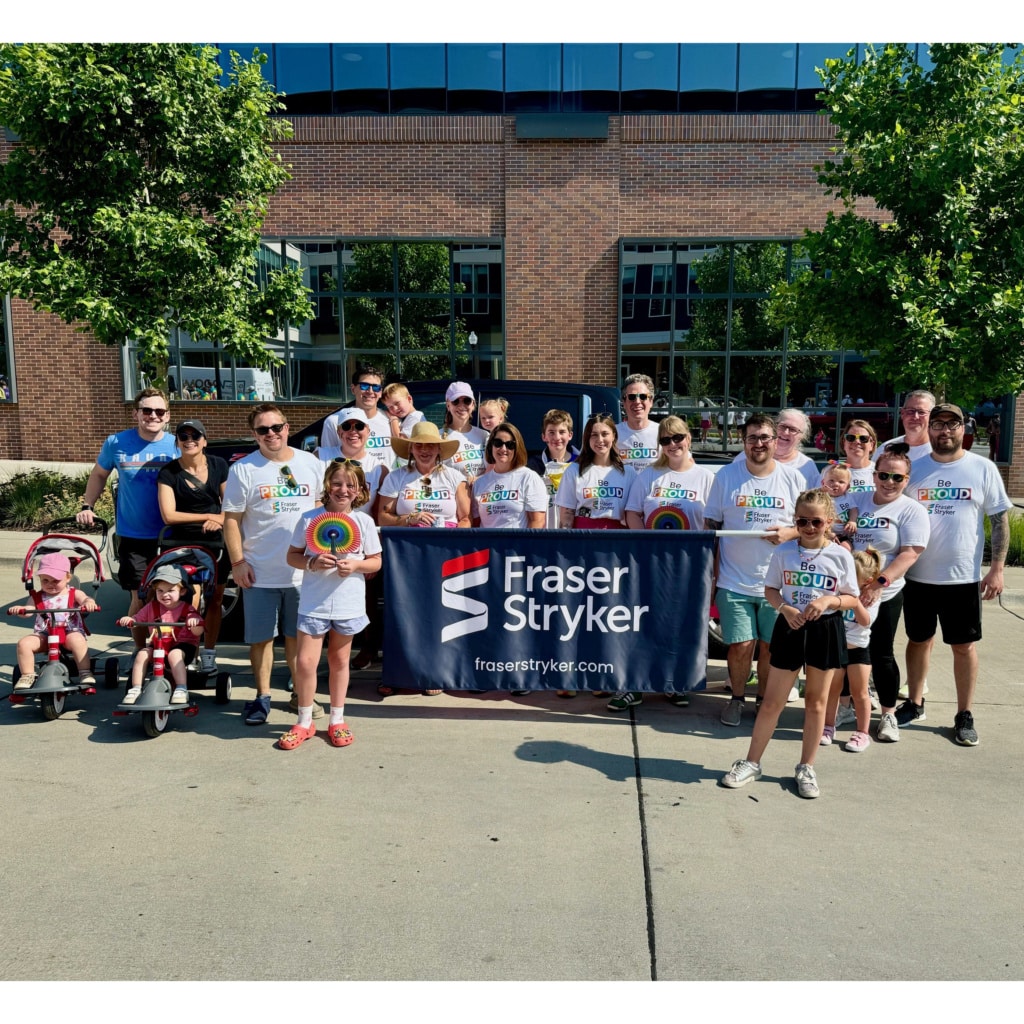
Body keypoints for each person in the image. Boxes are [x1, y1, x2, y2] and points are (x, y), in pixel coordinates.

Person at [720, 488, 860, 799]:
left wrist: (828, 600)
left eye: (817, 522)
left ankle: (806, 767)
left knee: (816, 704)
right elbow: (770, 589)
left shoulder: (840, 555)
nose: (809, 528)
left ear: (830, 522)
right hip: (790, 626)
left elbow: (852, 597)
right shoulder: (783, 552)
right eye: (802, 521)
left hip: (825, 629)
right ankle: (752, 762)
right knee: (772, 702)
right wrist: (785, 607)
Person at [896, 403, 1012, 746]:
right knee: (918, 641)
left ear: (964, 428)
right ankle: (915, 703)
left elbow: (999, 519)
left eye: (952, 424)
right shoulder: (912, 470)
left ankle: (964, 715)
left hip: (962, 579)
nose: (944, 431)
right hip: (917, 576)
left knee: (963, 647)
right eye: (938, 424)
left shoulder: (982, 468)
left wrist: (997, 569)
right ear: (928, 429)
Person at [223, 404, 324, 726]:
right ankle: (262, 696)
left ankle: (300, 695)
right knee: (261, 638)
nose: (272, 434)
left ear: (287, 427)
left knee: (298, 636)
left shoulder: (310, 463)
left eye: (277, 427)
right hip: (260, 570)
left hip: (303, 571)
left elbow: (320, 509)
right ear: (254, 434)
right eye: (263, 430)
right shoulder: (244, 469)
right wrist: (237, 562)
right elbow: (231, 521)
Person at [704, 413, 804, 727]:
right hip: (734, 580)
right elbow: (712, 526)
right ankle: (736, 699)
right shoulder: (726, 477)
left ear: (776, 441)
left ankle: (763, 700)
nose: (758, 444)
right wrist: (712, 577)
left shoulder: (793, 479)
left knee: (769, 648)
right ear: (743, 441)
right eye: (752, 438)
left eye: (764, 437)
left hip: (778, 584)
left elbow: (812, 526)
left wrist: (791, 532)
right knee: (740, 646)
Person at [609, 415, 714, 711]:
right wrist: (648, 544)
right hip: (652, 561)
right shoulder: (649, 476)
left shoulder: (706, 478)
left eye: (677, 437)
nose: (672, 444)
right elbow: (632, 514)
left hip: (689, 562)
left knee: (681, 623)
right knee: (642, 621)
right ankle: (635, 686)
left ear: (688, 438)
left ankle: (675, 682)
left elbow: (713, 522)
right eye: (665, 440)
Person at [280, 461, 382, 750]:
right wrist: (311, 562)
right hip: (314, 604)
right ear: (327, 485)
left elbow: (376, 560)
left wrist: (357, 564)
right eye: (337, 483)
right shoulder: (309, 519)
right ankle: (304, 720)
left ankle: (337, 719)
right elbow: (292, 556)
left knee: (339, 661)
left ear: (360, 490)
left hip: (348, 604)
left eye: (351, 485)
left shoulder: (364, 522)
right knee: (306, 662)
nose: (343, 490)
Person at [76, 388, 178, 640]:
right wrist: (87, 505)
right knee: (140, 595)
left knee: (172, 595)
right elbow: (100, 474)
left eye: (159, 411)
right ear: (136, 414)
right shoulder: (117, 442)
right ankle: (140, 654)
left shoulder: (178, 445)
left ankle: (173, 651)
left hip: (172, 534)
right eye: (147, 410)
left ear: (167, 416)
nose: (153, 415)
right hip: (133, 535)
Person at [378, 421, 471, 697]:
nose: (425, 450)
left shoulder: (455, 477)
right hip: (406, 556)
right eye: (419, 445)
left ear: (440, 450)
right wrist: (410, 518)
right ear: (410, 449)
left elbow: (467, 519)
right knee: (403, 612)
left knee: (440, 613)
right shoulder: (396, 477)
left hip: (445, 555)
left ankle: (435, 671)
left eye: (431, 445)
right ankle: (397, 672)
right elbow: (382, 517)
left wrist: (453, 543)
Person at [852, 442, 930, 742]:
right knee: (850, 651)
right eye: (884, 476)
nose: (889, 483)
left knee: (881, 653)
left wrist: (878, 584)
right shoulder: (858, 500)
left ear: (906, 480)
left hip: (885, 593)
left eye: (897, 478)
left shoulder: (911, 511)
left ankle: (887, 715)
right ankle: (847, 705)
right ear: (874, 475)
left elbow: (910, 553)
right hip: (850, 592)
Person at [318, 408, 390, 672]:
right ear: (338, 432)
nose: (353, 432)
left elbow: (376, 511)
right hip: (323, 536)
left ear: (368, 432)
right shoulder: (320, 457)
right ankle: (324, 655)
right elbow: (316, 500)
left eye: (359, 427)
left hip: (359, 541)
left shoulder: (378, 467)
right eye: (347, 427)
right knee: (321, 597)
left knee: (366, 598)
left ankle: (368, 647)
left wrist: (369, 553)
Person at [157, 418, 229, 673]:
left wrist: (221, 519)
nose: (189, 441)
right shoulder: (168, 472)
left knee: (216, 597)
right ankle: (188, 650)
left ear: (204, 441)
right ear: (177, 442)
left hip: (216, 542)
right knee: (191, 596)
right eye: (183, 437)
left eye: (194, 436)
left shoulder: (219, 465)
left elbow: (229, 504)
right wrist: (209, 516)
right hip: (181, 541)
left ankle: (209, 652)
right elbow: (169, 515)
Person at [117, 565, 205, 706]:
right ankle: (135, 688)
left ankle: (182, 688)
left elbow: (198, 632)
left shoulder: (188, 609)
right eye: (160, 591)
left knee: (174, 655)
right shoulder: (152, 607)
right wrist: (131, 620)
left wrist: (195, 623)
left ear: (182, 591)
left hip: (183, 647)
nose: (165, 595)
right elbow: (138, 618)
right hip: (158, 645)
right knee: (142, 654)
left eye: (170, 590)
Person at [823, 547, 882, 753]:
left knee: (860, 692)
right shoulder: (838, 592)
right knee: (833, 690)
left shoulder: (871, 598)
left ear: (867, 581)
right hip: (836, 647)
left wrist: (855, 602)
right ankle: (828, 726)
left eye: (851, 576)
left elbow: (865, 622)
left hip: (858, 650)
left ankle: (862, 733)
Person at [11, 552, 98, 690]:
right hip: (45, 634)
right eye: (45, 581)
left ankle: (84, 672)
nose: (50, 584)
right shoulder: (37, 597)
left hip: (69, 631)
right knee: (24, 644)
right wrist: (21, 610)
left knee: (78, 641)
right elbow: (28, 610)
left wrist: (88, 603)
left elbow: (86, 599)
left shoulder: (74, 593)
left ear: (68, 577)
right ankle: (27, 675)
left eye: (55, 581)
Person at [554, 414, 629, 529]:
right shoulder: (574, 470)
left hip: (616, 537)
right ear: (587, 439)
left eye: (605, 434)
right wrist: (566, 543)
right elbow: (567, 514)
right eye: (594, 435)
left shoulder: (628, 472)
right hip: (583, 535)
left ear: (613, 436)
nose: (600, 440)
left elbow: (633, 514)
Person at [471, 422, 548, 530]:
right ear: (490, 446)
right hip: (487, 546)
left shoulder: (529, 478)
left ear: (517, 448)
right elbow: (475, 525)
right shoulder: (480, 483)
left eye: (510, 445)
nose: (503, 449)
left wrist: (524, 547)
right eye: (498, 443)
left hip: (517, 546)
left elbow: (537, 522)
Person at [320, 364, 392, 466]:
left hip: (385, 481)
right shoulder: (334, 422)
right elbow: (327, 463)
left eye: (376, 387)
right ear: (353, 389)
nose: (370, 391)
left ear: (380, 392)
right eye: (364, 386)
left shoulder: (392, 421)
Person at [526, 409, 579, 529]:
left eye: (562, 432)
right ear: (544, 436)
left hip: (573, 531)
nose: (557, 437)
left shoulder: (581, 463)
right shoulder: (533, 465)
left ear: (570, 435)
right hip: (544, 530)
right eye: (551, 432)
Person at [441, 381, 489, 484]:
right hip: (456, 497)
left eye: (466, 401)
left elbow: (495, 469)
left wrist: (477, 480)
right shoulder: (438, 437)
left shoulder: (485, 436)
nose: (461, 406)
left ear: (473, 404)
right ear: (448, 405)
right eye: (456, 401)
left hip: (483, 495)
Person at [872, 389, 935, 466]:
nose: (915, 417)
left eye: (921, 412)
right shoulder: (885, 449)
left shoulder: (940, 452)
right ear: (902, 413)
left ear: (932, 416)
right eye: (910, 411)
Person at [616, 374, 660, 473]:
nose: (637, 402)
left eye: (643, 396)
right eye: (631, 397)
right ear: (624, 402)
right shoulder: (613, 433)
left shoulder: (663, 432)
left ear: (651, 401)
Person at [819, 463, 859, 538]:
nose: (836, 484)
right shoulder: (821, 497)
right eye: (831, 480)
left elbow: (854, 510)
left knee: (846, 546)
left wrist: (852, 521)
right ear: (823, 483)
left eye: (841, 482)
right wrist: (828, 532)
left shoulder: (848, 497)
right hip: (826, 533)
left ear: (848, 487)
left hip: (845, 533)